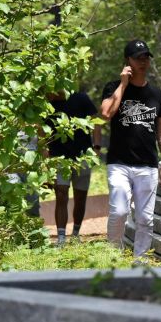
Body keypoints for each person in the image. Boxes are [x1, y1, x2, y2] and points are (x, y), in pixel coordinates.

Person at [100, 39, 161, 257]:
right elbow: (105, 114)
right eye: (138, 57)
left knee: (145, 218)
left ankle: (140, 261)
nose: (143, 61)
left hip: (147, 164)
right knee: (119, 211)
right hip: (119, 163)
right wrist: (123, 84)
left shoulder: (156, 94)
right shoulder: (113, 87)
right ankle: (113, 256)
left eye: (146, 57)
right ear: (127, 61)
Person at [45, 89, 99, 246]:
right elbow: (42, 131)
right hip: (58, 157)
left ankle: (75, 234)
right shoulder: (47, 103)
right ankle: (61, 238)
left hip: (83, 156)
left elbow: (96, 122)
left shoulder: (80, 97)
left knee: (80, 197)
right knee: (61, 195)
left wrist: (96, 148)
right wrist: (45, 157)